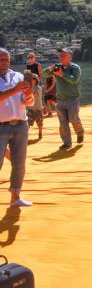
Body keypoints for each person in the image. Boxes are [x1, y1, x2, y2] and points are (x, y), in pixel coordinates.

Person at [0, 48, 35, 207]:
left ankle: (15, 197)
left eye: (6, 59)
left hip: (21, 125)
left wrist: (28, 94)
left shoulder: (19, 77)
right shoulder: (16, 83)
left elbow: (28, 102)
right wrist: (15, 89)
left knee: (19, 163)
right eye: (1, 59)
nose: (4, 62)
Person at [42, 48, 84, 150]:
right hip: (60, 99)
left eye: (63, 55)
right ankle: (67, 143)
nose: (61, 57)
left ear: (70, 57)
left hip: (73, 98)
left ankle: (80, 132)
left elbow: (74, 80)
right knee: (63, 122)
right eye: (60, 55)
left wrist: (62, 74)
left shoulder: (75, 68)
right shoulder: (57, 67)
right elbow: (44, 74)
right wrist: (50, 69)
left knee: (73, 119)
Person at [26, 74, 44, 140]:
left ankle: (40, 132)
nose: (32, 80)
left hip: (38, 108)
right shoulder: (28, 87)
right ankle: (25, 135)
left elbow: (33, 94)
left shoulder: (38, 88)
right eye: (31, 79)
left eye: (33, 79)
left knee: (39, 122)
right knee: (27, 122)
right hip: (30, 108)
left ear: (36, 80)